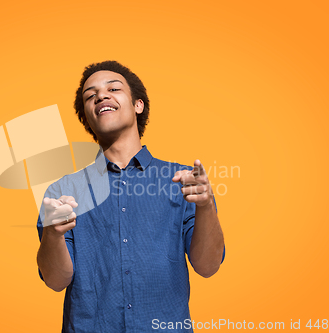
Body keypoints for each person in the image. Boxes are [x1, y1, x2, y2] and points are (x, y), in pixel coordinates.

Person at [36, 60, 225, 332]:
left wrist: (206, 207)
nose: (101, 95)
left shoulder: (185, 183)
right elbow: (55, 281)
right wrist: (53, 234)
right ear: (87, 117)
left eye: (113, 88)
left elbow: (208, 266)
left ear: (138, 105)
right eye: (91, 95)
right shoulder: (62, 193)